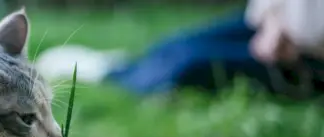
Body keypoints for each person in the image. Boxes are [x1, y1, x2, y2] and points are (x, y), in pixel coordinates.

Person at [36, 0, 324, 99]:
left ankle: (111, 72)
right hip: (272, 22)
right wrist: (273, 17)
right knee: (178, 43)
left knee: (189, 64)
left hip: (306, 57)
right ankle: (125, 65)